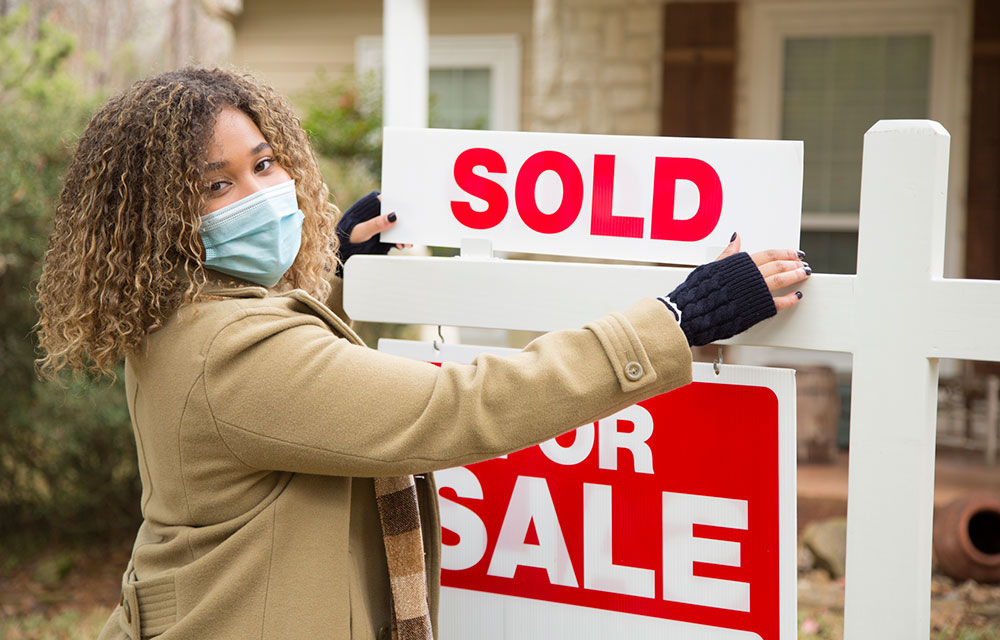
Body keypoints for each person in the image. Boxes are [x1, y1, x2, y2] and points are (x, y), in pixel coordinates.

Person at [34, 67, 809, 640]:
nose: (263, 194)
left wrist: (333, 270)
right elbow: (450, 409)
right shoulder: (230, 351)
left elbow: (292, 388)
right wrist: (676, 318)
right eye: (216, 185)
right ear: (160, 215)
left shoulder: (179, 318)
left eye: (265, 164)